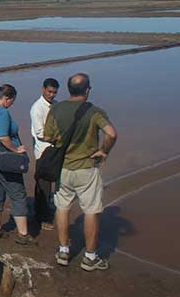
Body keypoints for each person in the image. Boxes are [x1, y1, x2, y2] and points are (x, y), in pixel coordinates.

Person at [43, 73, 118, 271]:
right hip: (86, 168)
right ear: (87, 90)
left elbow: (47, 135)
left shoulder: (56, 109)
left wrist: (61, 142)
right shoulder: (94, 111)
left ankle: (63, 251)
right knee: (91, 211)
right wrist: (104, 151)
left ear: (69, 89)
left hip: (63, 168)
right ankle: (90, 258)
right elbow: (111, 133)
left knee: (62, 207)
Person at [0, 84, 35, 245]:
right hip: (4, 160)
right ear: (7, 98)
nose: (12, 104)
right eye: (12, 101)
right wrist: (17, 150)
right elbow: (4, 137)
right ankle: (23, 235)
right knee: (18, 194)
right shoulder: (2, 112)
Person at [30, 78, 59, 231]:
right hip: (43, 151)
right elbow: (40, 133)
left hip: (53, 150)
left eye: (54, 92)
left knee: (51, 182)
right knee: (43, 184)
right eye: (50, 92)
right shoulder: (37, 108)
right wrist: (58, 137)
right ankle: (41, 217)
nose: (52, 95)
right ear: (43, 90)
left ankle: (44, 212)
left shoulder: (56, 105)